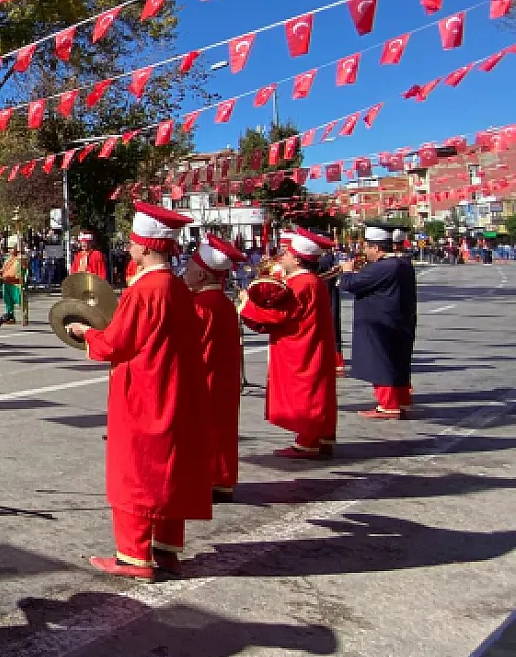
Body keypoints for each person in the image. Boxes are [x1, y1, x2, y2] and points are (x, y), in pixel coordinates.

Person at [67, 203, 210, 581]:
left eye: (132, 242)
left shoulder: (145, 291)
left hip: (144, 391)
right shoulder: (177, 288)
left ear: (146, 248)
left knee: (135, 470)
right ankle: (165, 549)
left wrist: (87, 334)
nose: (128, 247)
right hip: (172, 389)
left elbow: (117, 343)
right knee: (166, 470)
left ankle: (133, 556)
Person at [239, 228, 339, 460]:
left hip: (299, 346)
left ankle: (308, 439)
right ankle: (321, 435)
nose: (282, 256)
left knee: (305, 393)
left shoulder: (301, 283)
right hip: (311, 342)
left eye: (286, 252)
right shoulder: (311, 281)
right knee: (316, 390)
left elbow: (278, 315)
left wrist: (247, 305)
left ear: (296, 258)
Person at [182, 234, 247, 503]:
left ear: (200, 274)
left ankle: (207, 480)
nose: (184, 272)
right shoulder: (222, 303)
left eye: (188, 267)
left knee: (203, 430)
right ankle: (222, 479)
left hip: (204, 376)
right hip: (224, 376)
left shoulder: (199, 305)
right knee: (223, 428)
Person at [340, 223, 418, 419]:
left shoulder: (382, 267)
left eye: (366, 247)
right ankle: (402, 399)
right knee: (398, 362)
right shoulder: (403, 264)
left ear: (376, 247)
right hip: (399, 320)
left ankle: (388, 405)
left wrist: (347, 271)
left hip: (378, 322)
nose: (365, 252)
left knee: (380, 363)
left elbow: (350, 284)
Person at [0, 238, 29, 325]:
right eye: (9, 248)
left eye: (12, 248)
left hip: (17, 283)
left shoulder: (21, 258)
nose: (10, 250)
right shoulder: (8, 259)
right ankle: (10, 317)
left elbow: (24, 267)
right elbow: (4, 269)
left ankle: (24, 318)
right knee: (8, 302)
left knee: (21, 301)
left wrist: (21, 255)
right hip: (6, 282)